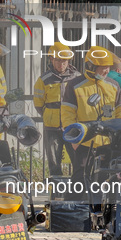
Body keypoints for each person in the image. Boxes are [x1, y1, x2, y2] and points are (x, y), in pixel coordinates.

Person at [62, 46, 121, 189]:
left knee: (110, 180)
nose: (107, 71)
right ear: (91, 66)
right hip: (84, 142)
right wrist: (75, 140)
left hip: (109, 142)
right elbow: (67, 114)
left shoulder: (114, 85)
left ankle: (107, 208)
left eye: (108, 67)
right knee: (79, 179)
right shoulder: (74, 85)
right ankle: (77, 208)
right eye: (103, 67)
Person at [33, 42, 80, 177]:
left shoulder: (77, 77)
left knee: (78, 160)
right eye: (58, 60)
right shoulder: (44, 80)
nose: (61, 64)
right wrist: (50, 115)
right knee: (54, 163)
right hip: (52, 128)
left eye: (64, 61)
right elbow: (38, 104)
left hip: (73, 127)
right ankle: (56, 193)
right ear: (51, 59)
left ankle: (78, 190)